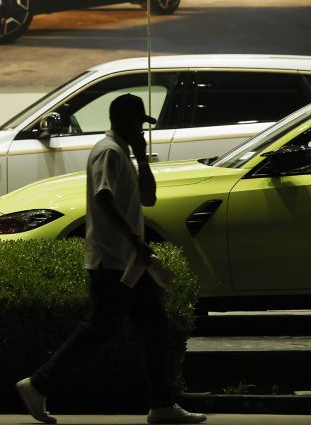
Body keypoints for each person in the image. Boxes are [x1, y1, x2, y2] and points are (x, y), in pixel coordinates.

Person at [16, 94, 206, 424]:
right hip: (112, 261)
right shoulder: (108, 152)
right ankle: (38, 384)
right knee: (101, 328)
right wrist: (135, 240)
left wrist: (142, 158)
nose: (142, 131)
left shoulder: (123, 153)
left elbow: (149, 198)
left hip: (130, 262)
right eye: (139, 123)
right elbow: (103, 198)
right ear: (126, 121)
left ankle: (162, 405)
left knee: (154, 329)